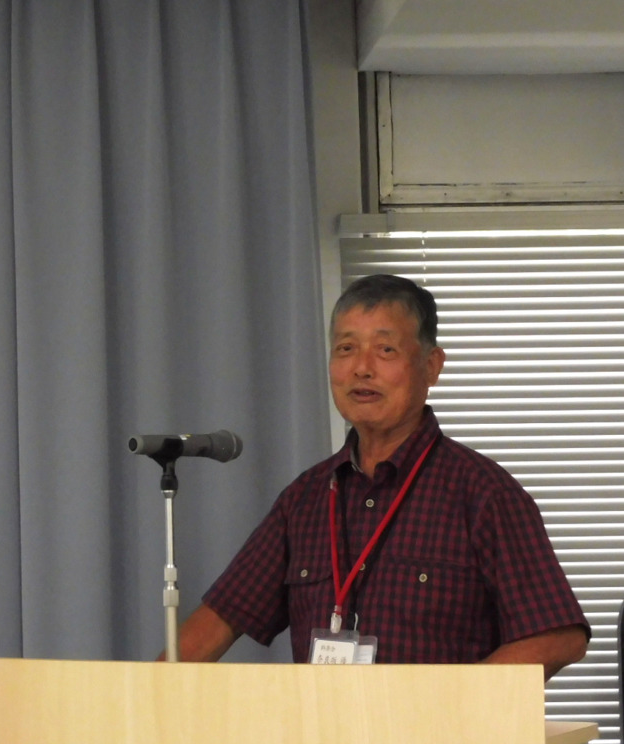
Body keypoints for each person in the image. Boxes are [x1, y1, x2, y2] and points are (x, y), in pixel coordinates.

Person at [174, 274, 589, 678]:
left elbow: (558, 637)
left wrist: (455, 704)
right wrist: (151, 696)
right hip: (323, 726)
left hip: (436, 726)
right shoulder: (305, 499)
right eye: (346, 349)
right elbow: (219, 619)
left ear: (431, 366)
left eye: (385, 350)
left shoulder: (483, 493)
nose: (361, 368)